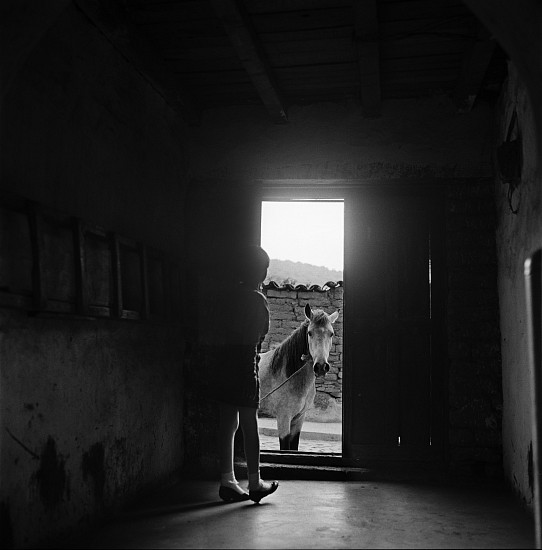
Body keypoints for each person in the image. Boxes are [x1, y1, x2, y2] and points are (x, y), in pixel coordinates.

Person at [209, 244, 279, 504]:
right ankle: (254, 481)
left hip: (224, 360)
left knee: (228, 422)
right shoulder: (256, 299)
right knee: (250, 423)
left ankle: (227, 480)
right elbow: (262, 332)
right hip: (245, 360)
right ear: (258, 271)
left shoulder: (226, 297)